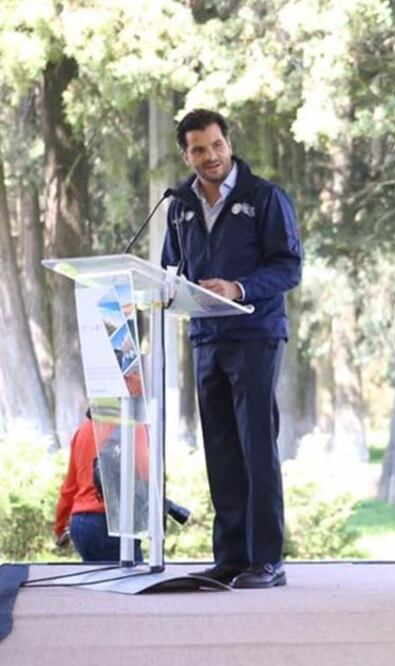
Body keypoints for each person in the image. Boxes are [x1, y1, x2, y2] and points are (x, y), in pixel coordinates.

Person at [162, 109, 302, 589]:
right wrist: (167, 289)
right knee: (221, 448)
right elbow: (170, 267)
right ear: (186, 153)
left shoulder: (264, 198)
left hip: (256, 335)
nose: (210, 156)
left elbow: (289, 268)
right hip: (205, 336)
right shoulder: (179, 204)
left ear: (228, 143)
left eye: (216, 145)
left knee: (256, 446)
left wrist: (238, 288)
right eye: (199, 149)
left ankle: (266, 560)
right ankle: (230, 557)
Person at [55, 411, 145, 563]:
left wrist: (60, 527)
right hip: (112, 523)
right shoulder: (133, 427)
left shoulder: (83, 431)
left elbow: (69, 487)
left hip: (81, 525)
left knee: (96, 583)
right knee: (131, 581)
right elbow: (146, 474)